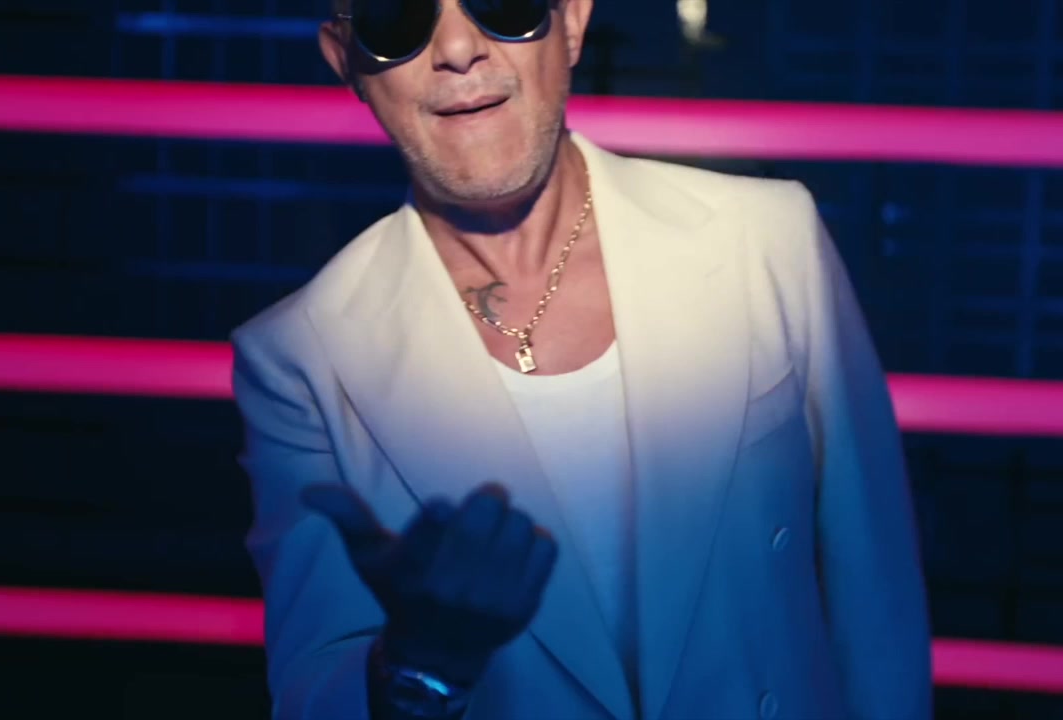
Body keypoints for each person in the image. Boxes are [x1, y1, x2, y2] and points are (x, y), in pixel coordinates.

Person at [229, 0, 933, 718]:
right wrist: (419, 661)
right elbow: (315, 689)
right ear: (344, 59)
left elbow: (878, 609)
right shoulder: (299, 358)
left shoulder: (766, 238)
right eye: (397, 18)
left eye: (502, 4)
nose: (459, 48)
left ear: (570, 21)